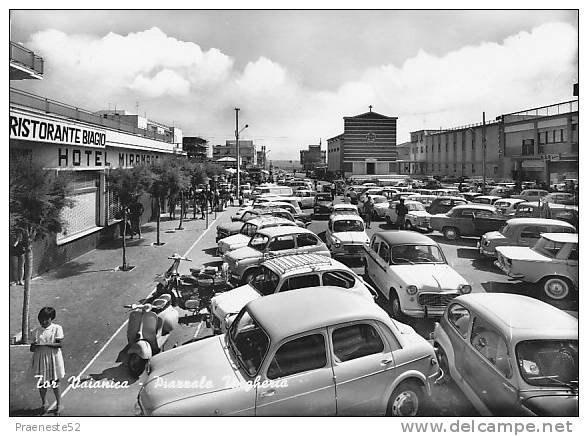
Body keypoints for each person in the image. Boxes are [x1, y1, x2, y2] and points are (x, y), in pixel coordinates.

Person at [30, 307, 65, 415]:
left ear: (51, 318)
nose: (43, 322)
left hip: (53, 359)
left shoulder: (57, 328)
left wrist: (44, 344)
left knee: (54, 382)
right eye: (41, 319)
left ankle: (59, 404)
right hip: (40, 359)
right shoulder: (36, 331)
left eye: (46, 319)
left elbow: (59, 344)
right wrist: (34, 346)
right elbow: (32, 349)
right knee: (42, 382)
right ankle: (44, 403)